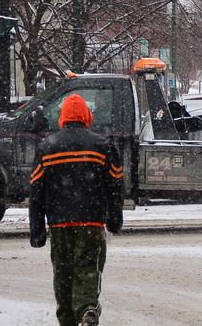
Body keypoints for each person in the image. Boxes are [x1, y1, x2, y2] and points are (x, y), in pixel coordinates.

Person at [30, 93, 123, 326]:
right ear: (86, 116)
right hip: (91, 222)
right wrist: (114, 217)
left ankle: (67, 318)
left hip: (59, 223)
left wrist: (37, 229)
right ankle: (87, 308)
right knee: (88, 267)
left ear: (62, 117)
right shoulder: (102, 146)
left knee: (62, 273)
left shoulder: (46, 147)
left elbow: (36, 192)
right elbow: (115, 186)